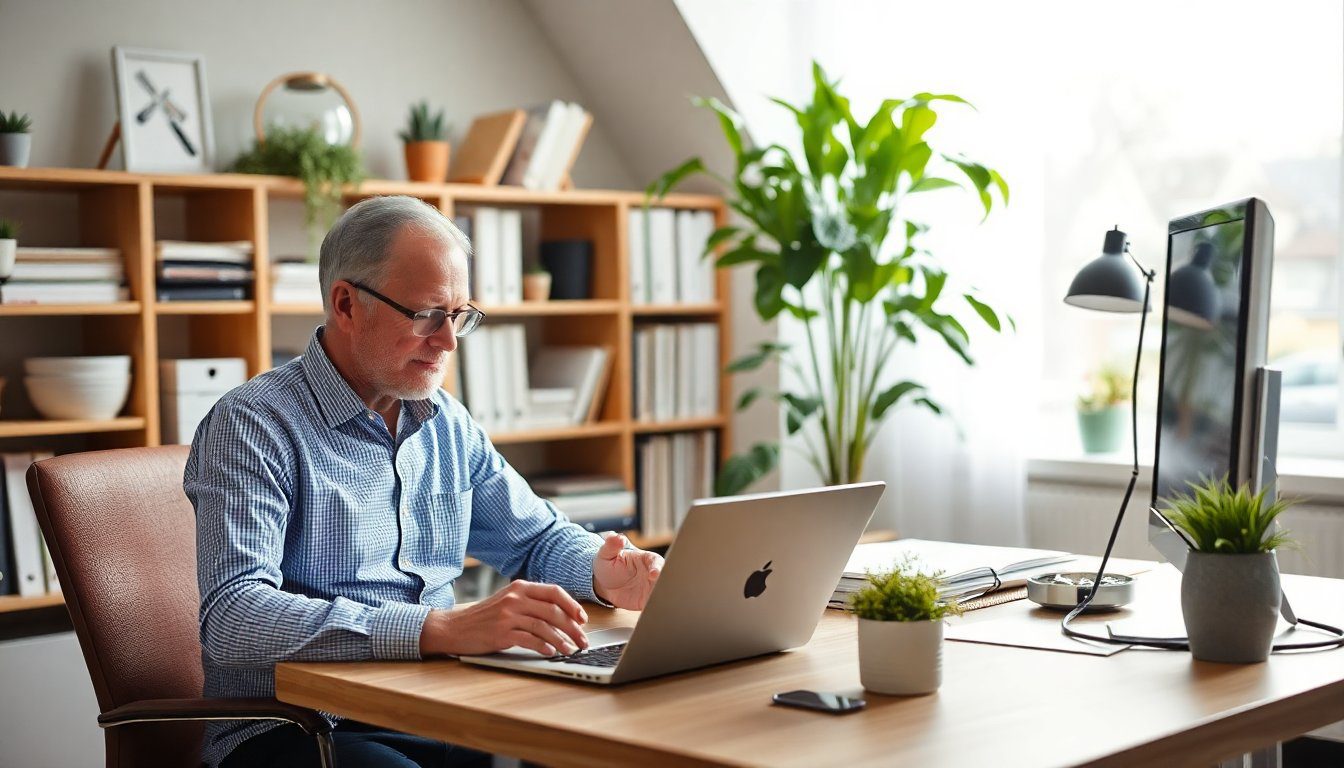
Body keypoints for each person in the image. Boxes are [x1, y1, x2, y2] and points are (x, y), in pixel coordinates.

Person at [187, 195, 664, 768]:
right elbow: (234, 617)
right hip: (304, 729)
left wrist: (605, 572)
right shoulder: (252, 426)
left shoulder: (446, 422)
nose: (449, 341)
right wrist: (436, 629)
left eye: (460, 315)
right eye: (427, 314)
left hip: (444, 706)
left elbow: (535, 540)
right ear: (346, 304)